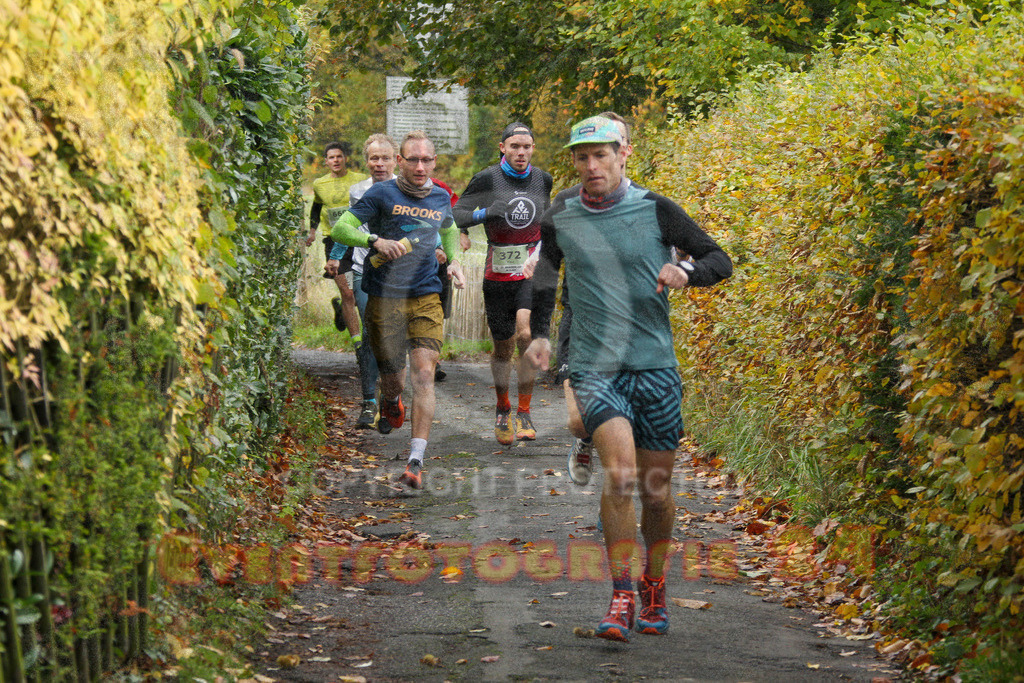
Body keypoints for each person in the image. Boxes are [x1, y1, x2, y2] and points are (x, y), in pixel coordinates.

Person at [525, 116, 732, 641]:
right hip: (597, 367)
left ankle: (654, 584)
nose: (591, 166)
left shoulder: (656, 209)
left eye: (601, 155)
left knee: (656, 491)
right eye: (581, 157)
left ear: (623, 154)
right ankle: (620, 597)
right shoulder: (561, 214)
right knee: (619, 476)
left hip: (656, 366)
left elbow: (719, 259)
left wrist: (686, 272)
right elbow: (546, 276)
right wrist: (542, 334)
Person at [331, 131, 466, 490]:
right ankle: (391, 399)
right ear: (401, 162)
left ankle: (415, 460)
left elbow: (450, 228)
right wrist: (374, 240)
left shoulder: (439, 195)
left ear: (434, 162)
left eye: (427, 160)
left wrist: (453, 261)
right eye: (413, 160)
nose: (420, 166)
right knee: (394, 377)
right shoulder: (381, 194)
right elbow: (340, 227)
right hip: (384, 297)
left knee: (424, 374)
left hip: (425, 294)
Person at [453, 122, 553, 445]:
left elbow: (546, 220)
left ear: (532, 149)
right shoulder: (487, 178)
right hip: (496, 273)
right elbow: (457, 214)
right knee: (502, 347)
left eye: (526, 147)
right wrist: (484, 213)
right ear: (502, 148)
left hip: (528, 269)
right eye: (514, 147)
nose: (521, 152)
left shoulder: (542, 179)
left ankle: (524, 411)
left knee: (525, 333)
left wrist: (544, 252)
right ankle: (503, 407)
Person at [326, 134, 398, 428]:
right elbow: (349, 224)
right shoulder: (358, 190)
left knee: (393, 338)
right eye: (374, 158)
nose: (379, 164)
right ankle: (369, 401)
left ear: (396, 160)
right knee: (370, 335)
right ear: (366, 161)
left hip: (400, 274)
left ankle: (389, 399)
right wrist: (336, 255)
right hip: (364, 270)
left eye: (385, 158)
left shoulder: (406, 189)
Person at [306, 142, 368, 342]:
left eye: (339, 156)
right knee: (348, 292)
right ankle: (358, 343)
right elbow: (316, 207)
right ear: (326, 161)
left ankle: (343, 309)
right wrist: (312, 231)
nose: (336, 160)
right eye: (331, 157)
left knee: (360, 294)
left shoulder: (360, 180)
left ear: (345, 159)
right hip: (335, 243)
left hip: (359, 241)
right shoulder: (319, 184)